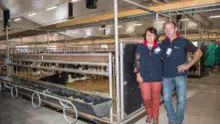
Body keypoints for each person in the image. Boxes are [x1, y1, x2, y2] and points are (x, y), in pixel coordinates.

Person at [161, 21, 203, 124]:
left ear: (176, 29)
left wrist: (189, 64)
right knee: (166, 100)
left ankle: (178, 121)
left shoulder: (183, 41)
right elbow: (159, 55)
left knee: (181, 100)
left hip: (180, 75)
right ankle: (172, 118)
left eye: (170, 28)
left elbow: (199, 52)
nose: (168, 31)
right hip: (166, 76)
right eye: (166, 29)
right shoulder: (163, 43)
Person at [134, 27, 163, 124]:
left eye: (152, 34)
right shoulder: (140, 47)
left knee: (156, 98)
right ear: (145, 36)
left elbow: (165, 60)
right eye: (148, 34)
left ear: (155, 36)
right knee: (146, 98)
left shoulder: (159, 47)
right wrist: (138, 74)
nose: (150, 36)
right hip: (144, 76)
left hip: (157, 77)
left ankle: (155, 116)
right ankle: (149, 113)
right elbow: (137, 60)